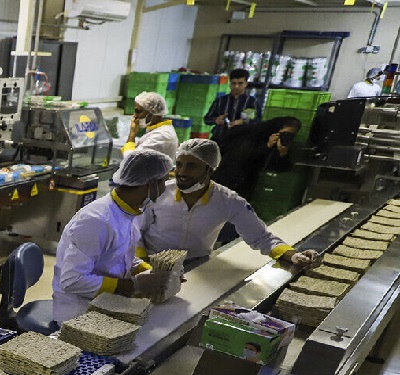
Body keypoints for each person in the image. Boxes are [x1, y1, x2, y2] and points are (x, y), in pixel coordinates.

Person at [137, 138, 321, 270]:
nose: (182, 172)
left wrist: (293, 255)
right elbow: (135, 230)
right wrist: (142, 264)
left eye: (191, 166)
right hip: (150, 261)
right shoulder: (158, 193)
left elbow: (260, 236)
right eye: (179, 164)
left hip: (197, 267)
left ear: (209, 169)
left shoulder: (228, 201)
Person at [52, 149, 181, 325]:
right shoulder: (96, 221)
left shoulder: (134, 211)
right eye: (164, 182)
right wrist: (134, 285)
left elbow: (121, 255)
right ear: (151, 184)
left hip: (109, 301)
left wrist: (152, 272)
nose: (164, 189)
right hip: (78, 309)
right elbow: (72, 281)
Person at [212, 116, 301, 202]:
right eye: (285, 133)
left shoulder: (280, 144)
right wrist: (267, 146)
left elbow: (278, 168)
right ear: (277, 129)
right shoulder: (251, 133)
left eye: (291, 135)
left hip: (245, 184)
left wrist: (282, 154)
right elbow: (242, 156)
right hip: (227, 179)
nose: (286, 137)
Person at [203, 68, 261, 141]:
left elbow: (258, 122)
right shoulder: (220, 101)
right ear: (230, 84)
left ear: (246, 84)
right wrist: (216, 120)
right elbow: (207, 119)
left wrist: (243, 121)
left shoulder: (252, 102)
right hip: (219, 139)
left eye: (240, 83)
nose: (236, 86)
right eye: (233, 83)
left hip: (241, 141)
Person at [122, 92, 179, 160]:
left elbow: (130, 160)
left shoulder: (162, 136)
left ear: (152, 113)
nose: (135, 115)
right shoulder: (157, 130)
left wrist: (132, 134)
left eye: (138, 111)